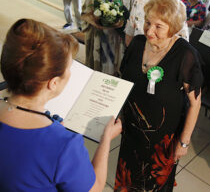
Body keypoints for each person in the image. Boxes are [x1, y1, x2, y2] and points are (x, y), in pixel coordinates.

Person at [0, 19, 122, 191]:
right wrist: (106, 139)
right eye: (69, 68)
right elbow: (94, 188)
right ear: (53, 83)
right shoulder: (64, 145)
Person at [114, 0, 203, 191]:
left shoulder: (185, 55)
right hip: (131, 132)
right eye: (147, 22)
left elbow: (195, 102)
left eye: (158, 26)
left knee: (154, 185)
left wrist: (184, 142)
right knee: (128, 181)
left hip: (162, 141)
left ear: (173, 28)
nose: (149, 30)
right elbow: (123, 81)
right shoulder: (136, 44)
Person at [81, 0, 133, 76]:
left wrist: (122, 22)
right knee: (99, 66)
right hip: (99, 36)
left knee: (116, 65)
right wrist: (93, 20)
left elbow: (131, 15)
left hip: (117, 37)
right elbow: (85, 12)